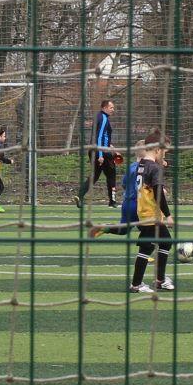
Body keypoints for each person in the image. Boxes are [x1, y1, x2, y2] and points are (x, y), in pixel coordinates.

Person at [125, 132, 175, 293]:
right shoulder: (154, 167)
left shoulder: (141, 165)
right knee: (148, 248)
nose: (165, 154)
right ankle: (137, 284)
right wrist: (168, 215)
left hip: (144, 212)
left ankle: (159, 280)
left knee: (164, 242)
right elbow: (158, 193)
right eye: (164, 151)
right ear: (157, 149)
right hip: (151, 214)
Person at [75, 98, 118, 204]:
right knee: (111, 175)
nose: (113, 110)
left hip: (96, 150)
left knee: (94, 176)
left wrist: (110, 145)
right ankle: (112, 201)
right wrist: (100, 155)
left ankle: (79, 196)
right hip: (102, 152)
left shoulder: (100, 117)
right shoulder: (103, 118)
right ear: (104, 108)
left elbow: (102, 136)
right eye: (111, 107)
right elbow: (98, 137)